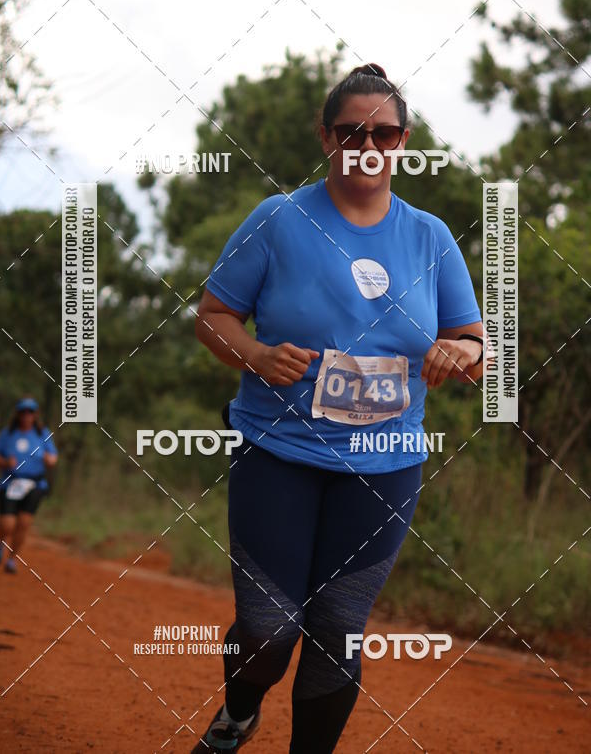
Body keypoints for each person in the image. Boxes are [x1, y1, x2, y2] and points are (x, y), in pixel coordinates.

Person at [192, 63, 485, 753]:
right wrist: (256, 357)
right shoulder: (279, 220)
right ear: (327, 137)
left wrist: (461, 356)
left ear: (403, 140)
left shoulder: (430, 236)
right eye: (352, 130)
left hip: (385, 467)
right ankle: (237, 714)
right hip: (279, 453)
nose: (367, 143)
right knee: (269, 632)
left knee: (337, 630)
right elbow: (213, 317)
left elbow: (476, 340)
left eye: (383, 132)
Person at [0, 397, 58, 574]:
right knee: (7, 524)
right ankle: (0, 542)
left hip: (34, 484)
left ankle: (12, 559)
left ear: (35, 415)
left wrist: (48, 459)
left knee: (24, 523)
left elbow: (53, 458)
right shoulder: (8, 433)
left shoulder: (42, 434)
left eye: (30, 412)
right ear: (18, 414)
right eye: (23, 412)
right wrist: (6, 462)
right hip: (10, 482)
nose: (26, 415)